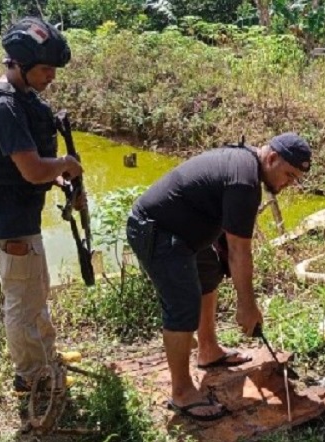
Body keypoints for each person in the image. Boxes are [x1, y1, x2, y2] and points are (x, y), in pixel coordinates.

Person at [125, 132, 311, 421]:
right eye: (288, 174)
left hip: (185, 235)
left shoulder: (247, 168)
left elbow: (229, 240)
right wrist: (247, 306)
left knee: (209, 271)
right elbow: (240, 252)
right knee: (183, 304)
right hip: (156, 232)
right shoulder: (244, 181)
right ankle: (182, 392)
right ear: (272, 158)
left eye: (295, 179)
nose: (289, 184)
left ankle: (208, 350)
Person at [0, 16, 84, 392]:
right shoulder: (2, 107)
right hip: (10, 220)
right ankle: (31, 375)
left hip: (19, 215)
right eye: (46, 68)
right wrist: (64, 165)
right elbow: (32, 170)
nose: (52, 76)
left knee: (36, 289)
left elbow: (26, 169)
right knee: (21, 299)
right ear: (19, 63)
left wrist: (60, 177)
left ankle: (45, 356)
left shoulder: (21, 100)